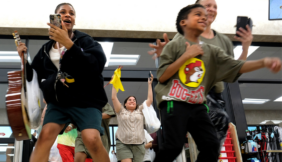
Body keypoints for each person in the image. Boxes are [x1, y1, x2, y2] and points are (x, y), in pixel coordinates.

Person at [153, 4, 281, 162]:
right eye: (198, 14)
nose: (203, 17)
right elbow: (163, 77)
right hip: (174, 101)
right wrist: (186, 56)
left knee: (211, 145)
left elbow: (236, 66)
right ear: (183, 23)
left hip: (198, 104)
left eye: (205, 15)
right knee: (174, 146)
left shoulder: (213, 50)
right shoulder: (174, 45)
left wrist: (264, 62)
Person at [149, 0, 253, 152]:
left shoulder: (223, 41)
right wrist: (165, 54)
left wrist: (245, 48)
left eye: (214, 6)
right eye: (206, 6)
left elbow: (234, 70)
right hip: (191, 95)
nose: (211, 9)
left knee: (212, 147)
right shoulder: (183, 37)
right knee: (184, 144)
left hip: (216, 97)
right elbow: (174, 69)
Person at [17, 3, 109, 162]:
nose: (68, 15)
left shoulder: (85, 41)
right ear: (55, 18)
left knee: (91, 139)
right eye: (62, 13)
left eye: (71, 13)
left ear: (74, 20)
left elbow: (96, 65)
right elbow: (34, 76)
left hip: (86, 100)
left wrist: (69, 44)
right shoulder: (46, 49)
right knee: (44, 136)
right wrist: (23, 60)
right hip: (59, 102)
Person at [111, 73, 154, 162]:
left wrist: (149, 84)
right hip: (123, 144)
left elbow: (150, 100)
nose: (132, 101)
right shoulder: (121, 110)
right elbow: (114, 97)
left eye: (134, 100)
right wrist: (115, 82)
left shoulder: (140, 110)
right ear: (125, 104)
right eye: (129, 100)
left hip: (139, 145)